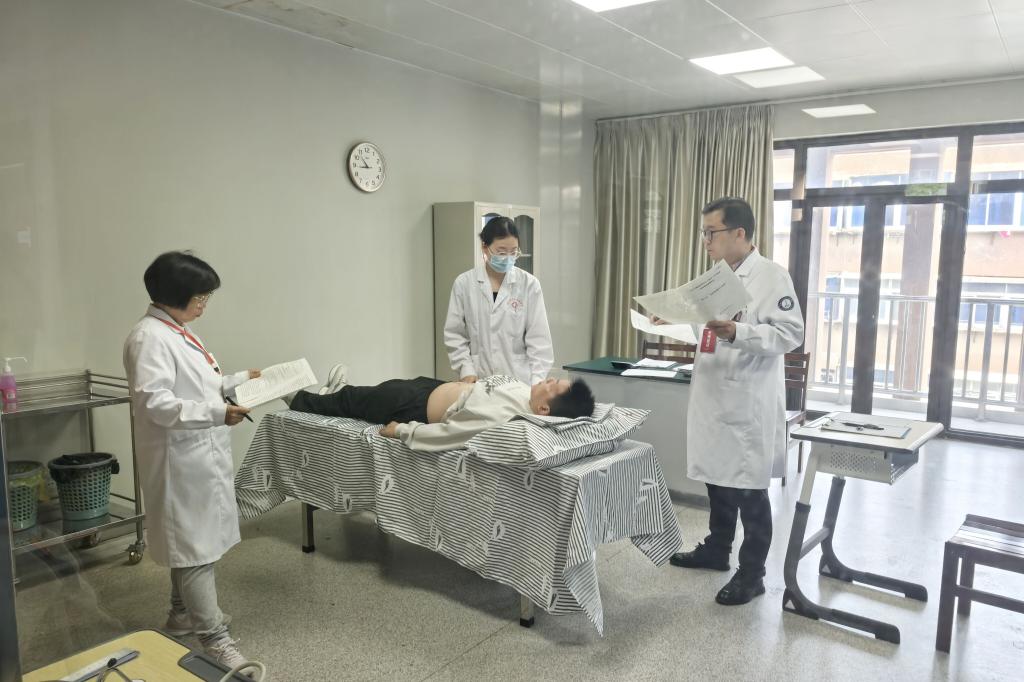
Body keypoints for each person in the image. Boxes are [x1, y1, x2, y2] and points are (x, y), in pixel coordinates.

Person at [665, 197, 804, 605]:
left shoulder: (772, 277)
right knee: (717, 479)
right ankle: (717, 549)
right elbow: (704, 331)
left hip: (747, 400)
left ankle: (752, 573)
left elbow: (790, 334)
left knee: (748, 490)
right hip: (713, 395)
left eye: (711, 233)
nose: (705, 242)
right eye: (704, 233)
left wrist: (738, 333)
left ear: (739, 233)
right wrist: (675, 317)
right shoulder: (715, 278)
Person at [123, 251, 258, 668]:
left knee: (190, 544)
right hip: (177, 462)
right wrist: (218, 413)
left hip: (197, 457)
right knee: (193, 550)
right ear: (174, 295)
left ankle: (181, 615)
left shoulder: (177, 330)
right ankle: (214, 639)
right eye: (201, 297)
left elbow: (200, 384)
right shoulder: (149, 338)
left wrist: (240, 381)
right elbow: (156, 404)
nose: (204, 305)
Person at [285, 372, 595, 452]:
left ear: (543, 409)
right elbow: (489, 390)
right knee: (372, 391)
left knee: (356, 399)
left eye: (552, 385)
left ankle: (299, 399)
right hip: (432, 386)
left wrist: (402, 430)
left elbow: (452, 434)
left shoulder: (504, 420)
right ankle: (333, 395)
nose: (548, 379)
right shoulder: (525, 392)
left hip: (414, 407)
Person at [444, 216, 554, 385]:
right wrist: (466, 370)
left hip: (519, 381)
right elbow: (455, 334)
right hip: (478, 379)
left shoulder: (529, 285)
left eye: (513, 252)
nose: (508, 257)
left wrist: (536, 383)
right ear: (485, 247)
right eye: (502, 252)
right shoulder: (464, 283)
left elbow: (539, 341)